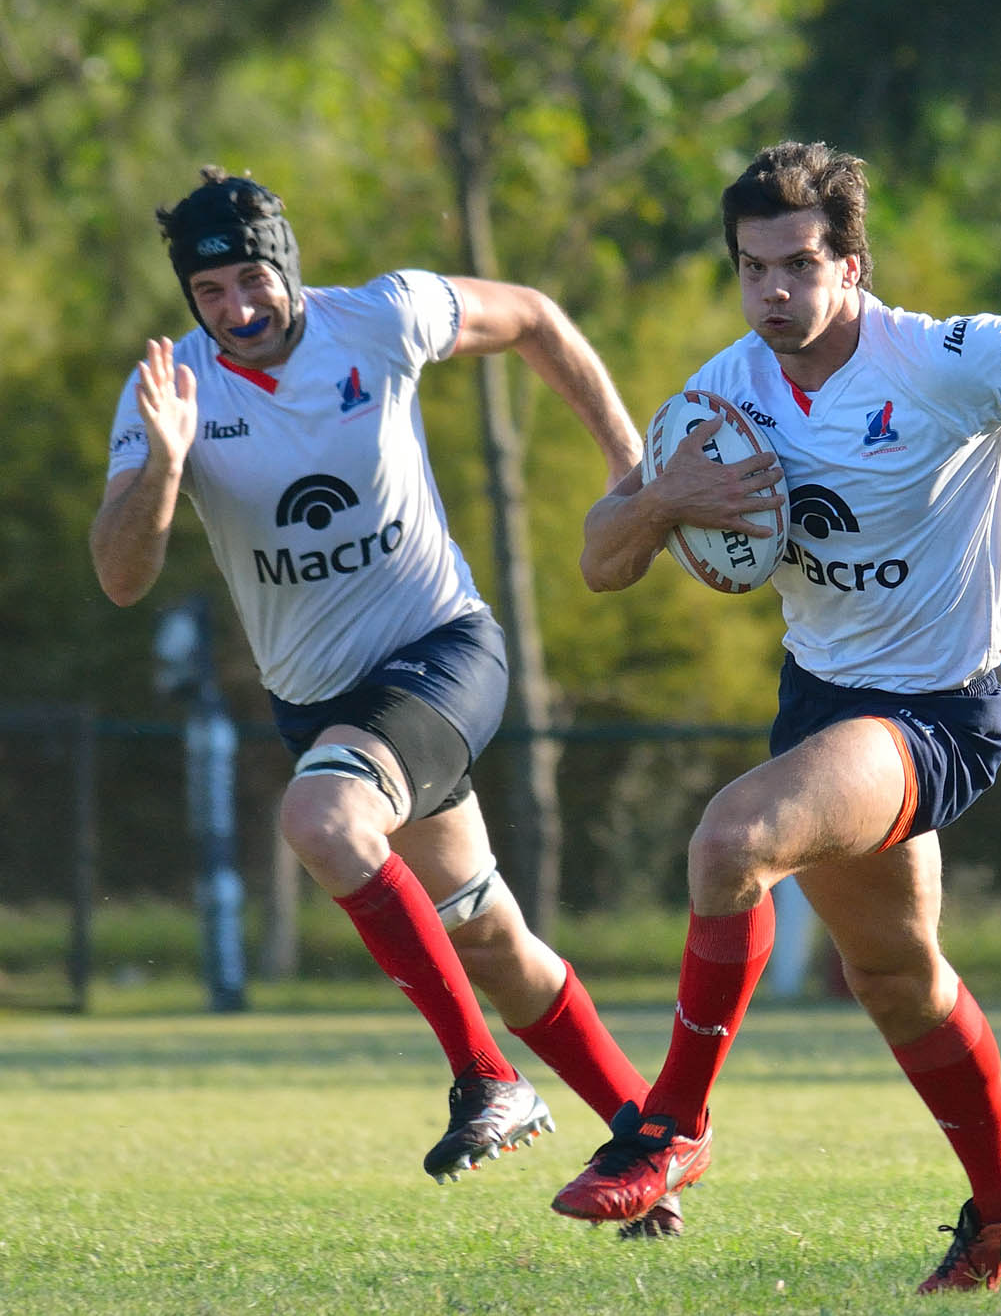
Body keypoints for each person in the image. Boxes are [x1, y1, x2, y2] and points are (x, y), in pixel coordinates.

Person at [561, 140, 1001, 1292]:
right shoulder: (722, 391)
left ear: (852, 265)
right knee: (895, 978)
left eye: (800, 265)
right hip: (820, 707)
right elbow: (600, 561)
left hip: (938, 715)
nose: (775, 291)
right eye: (753, 268)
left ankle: (672, 1125)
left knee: (730, 842)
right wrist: (665, 497)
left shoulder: (945, 359)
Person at [90, 167, 681, 1235]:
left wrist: (629, 465)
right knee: (491, 940)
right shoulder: (172, 390)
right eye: (209, 292)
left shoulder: (382, 318)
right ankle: (653, 1145)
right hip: (322, 708)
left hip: (441, 649)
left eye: (252, 279)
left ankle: (486, 1079)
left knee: (322, 819)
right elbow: (121, 578)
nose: (237, 308)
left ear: (288, 265)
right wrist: (166, 465)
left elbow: (533, 318)